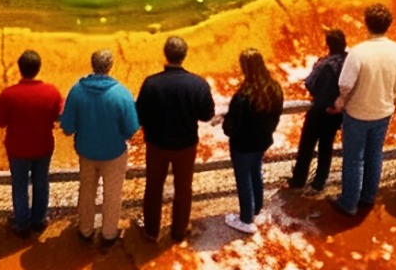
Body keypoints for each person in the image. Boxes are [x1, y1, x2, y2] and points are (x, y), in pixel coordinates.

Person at [331, 3, 396, 216]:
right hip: (383, 111)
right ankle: (368, 196)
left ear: (366, 24)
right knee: (375, 155)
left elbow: (345, 83)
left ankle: (349, 202)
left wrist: (341, 99)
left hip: (358, 112)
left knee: (354, 158)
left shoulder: (358, 52)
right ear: (388, 25)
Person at [134, 36, 213, 242]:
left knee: (153, 187)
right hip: (186, 145)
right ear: (184, 55)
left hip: (157, 144)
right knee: (184, 186)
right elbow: (207, 114)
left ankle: (151, 231)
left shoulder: (151, 83)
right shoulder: (198, 84)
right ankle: (178, 232)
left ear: (166, 54)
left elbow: (139, 115)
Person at [60, 49, 140, 246]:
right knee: (112, 194)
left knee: (86, 190)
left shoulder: (76, 91)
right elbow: (131, 130)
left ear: (92, 65)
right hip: (114, 153)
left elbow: (67, 127)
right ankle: (109, 234)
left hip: (86, 152)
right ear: (110, 66)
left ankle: (85, 230)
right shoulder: (122, 93)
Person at [0, 47, 62, 237]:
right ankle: (38, 220)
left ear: (20, 69)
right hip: (43, 145)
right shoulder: (51, 92)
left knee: (20, 186)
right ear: (38, 68)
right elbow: (58, 115)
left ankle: (22, 224)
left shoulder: (9, 94)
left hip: (18, 148)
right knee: (41, 182)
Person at [220, 49, 283, 234]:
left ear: (245, 68)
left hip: (243, 145)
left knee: (243, 179)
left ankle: (246, 220)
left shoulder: (243, 95)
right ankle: (256, 209)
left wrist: (225, 122)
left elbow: (230, 127)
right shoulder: (275, 88)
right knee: (256, 172)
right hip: (263, 140)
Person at [286, 28, 347, 192]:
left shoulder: (323, 63)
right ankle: (319, 182)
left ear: (328, 44)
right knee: (326, 147)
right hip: (337, 113)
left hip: (320, 110)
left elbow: (310, 83)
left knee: (306, 145)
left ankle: (298, 181)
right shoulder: (349, 62)